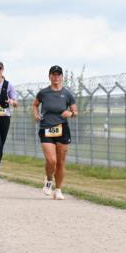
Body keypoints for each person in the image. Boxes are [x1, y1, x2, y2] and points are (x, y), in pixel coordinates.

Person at [33, 65, 78, 200]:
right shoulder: (43, 93)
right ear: (49, 76)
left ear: (62, 77)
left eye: (58, 74)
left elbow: (75, 112)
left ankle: (58, 190)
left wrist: (70, 113)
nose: (56, 77)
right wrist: (36, 115)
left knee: (60, 162)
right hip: (46, 128)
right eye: (53, 74)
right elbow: (35, 104)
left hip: (62, 129)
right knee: (51, 160)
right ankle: (48, 180)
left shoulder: (67, 93)